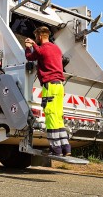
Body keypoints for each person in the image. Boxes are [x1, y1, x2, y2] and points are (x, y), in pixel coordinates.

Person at [25, 26, 71, 156]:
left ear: (39, 37)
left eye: (35, 37)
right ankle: (66, 148)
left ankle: (55, 149)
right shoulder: (56, 48)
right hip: (59, 86)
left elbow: (30, 56)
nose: (35, 39)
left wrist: (29, 46)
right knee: (58, 118)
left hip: (49, 86)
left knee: (50, 117)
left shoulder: (42, 49)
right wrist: (35, 45)